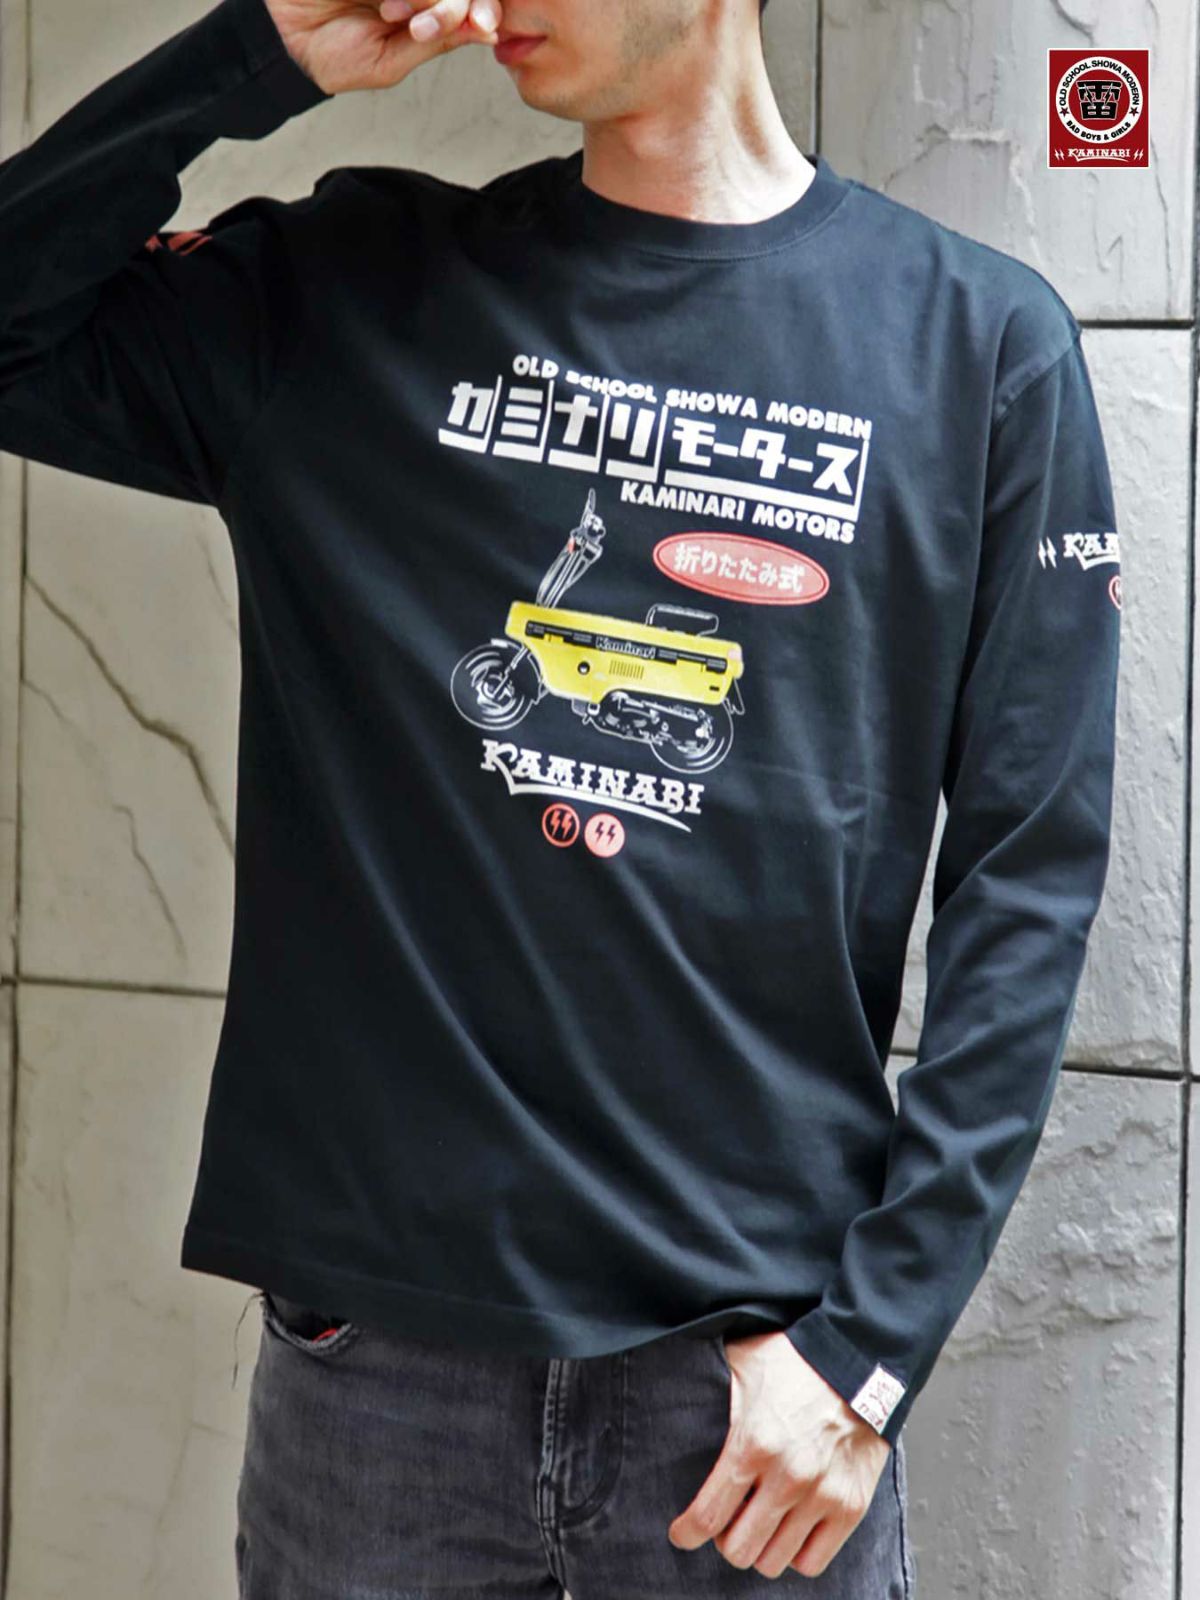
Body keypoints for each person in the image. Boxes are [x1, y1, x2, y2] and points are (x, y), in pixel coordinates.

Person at [0, 0, 1121, 1592]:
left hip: (751, 1400)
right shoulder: (350, 293)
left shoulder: (980, 347)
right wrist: (260, 50)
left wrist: (869, 1355)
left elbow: (1031, 878)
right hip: (376, 1400)